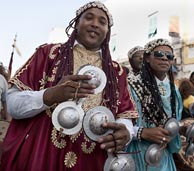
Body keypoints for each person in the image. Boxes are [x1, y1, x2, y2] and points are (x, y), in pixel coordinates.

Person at [0, 1, 138, 170]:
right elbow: (13, 103)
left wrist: (124, 132)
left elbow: (125, 115)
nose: (95, 24)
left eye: (102, 22)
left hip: (93, 159)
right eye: (89, 18)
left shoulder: (117, 72)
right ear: (76, 24)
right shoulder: (48, 54)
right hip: (43, 154)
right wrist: (50, 95)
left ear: (107, 32)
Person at [127, 38, 183, 171]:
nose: (164, 58)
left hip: (164, 155)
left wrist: (179, 131)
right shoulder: (130, 85)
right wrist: (142, 132)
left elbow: (175, 122)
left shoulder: (174, 91)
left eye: (169, 56)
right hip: (138, 154)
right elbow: (120, 123)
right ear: (147, 58)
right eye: (159, 54)